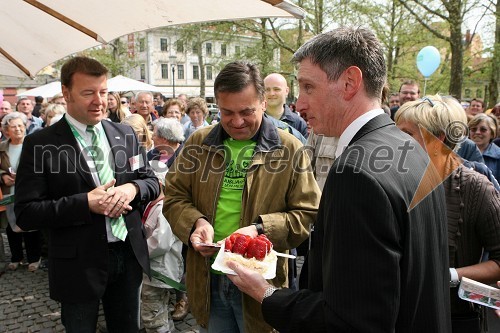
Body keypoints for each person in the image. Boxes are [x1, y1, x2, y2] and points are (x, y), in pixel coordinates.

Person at [227, 27, 451, 333]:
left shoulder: (356, 174)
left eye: (308, 87)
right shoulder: (411, 147)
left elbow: (350, 320)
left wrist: (263, 293)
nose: (299, 104)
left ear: (349, 82)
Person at [163, 60, 320, 332]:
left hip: (261, 284)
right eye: (227, 112)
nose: (236, 122)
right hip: (208, 278)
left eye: (246, 111)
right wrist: (196, 224)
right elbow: (174, 196)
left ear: (263, 102)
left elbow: (306, 214)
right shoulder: (198, 143)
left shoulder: (290, 148)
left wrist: (259, 229)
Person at [14, 56, 160, 333]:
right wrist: (85, 204)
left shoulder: (124, 133)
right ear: (66, 93)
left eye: (103, 92)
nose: (99, 101)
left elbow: (150, 181)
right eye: (88, 93)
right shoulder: (40, 143)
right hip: (77, 265)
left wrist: (132, 188)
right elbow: (26, 212)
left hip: (128, 255)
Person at [395, 94, 500, 333]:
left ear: (437, 140)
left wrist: (450, 275)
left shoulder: (475, 188)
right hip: (398, 315)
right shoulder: (396, 180)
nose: (395, 140)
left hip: (455, 318)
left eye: (406, 134)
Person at [141, 160, 183, 333]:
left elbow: (160, 242)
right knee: (161, 310)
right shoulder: (153, 205)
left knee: (153, 315)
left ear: (157, 184)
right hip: (157, 272)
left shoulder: (164, 208)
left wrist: (139, 250)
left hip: (159, 272)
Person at [0, 112, 42, 271]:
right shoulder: (2, 147)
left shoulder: (33, 145)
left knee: (31, 224)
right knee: (11, 226)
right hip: (8, 193)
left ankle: (34, 258)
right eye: (13, 127)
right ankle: (16, 257)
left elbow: (42, 168)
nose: (18, 129)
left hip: (30, 192)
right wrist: (3, 176)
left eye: (20, 126)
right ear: (6, 131)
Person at [264, 73, 308, 138]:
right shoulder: (255, 120)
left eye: (276, 89)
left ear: (286, 91)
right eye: (267, 89)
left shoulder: (299, 123)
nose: (271, 93)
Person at [469, 113, 500, 181]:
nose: (477, 132)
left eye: (483, 130)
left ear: (492, 134)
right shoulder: (460, 152)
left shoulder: (498, 156)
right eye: (473, 129)